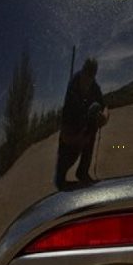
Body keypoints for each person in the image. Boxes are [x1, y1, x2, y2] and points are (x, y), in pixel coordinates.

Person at [54, 58, 108, 190]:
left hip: (86, 123)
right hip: (72, 125)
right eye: (87, 74)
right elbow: (65, 128)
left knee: (91, 131)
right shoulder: (73, 87)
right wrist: (77, 140)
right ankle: (60, 178)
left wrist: (104, 117)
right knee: (69, 155)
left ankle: (82, 172)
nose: (88, 80)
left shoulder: (94, 87)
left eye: (92, 75)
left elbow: (104, 106)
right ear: (83, 70)